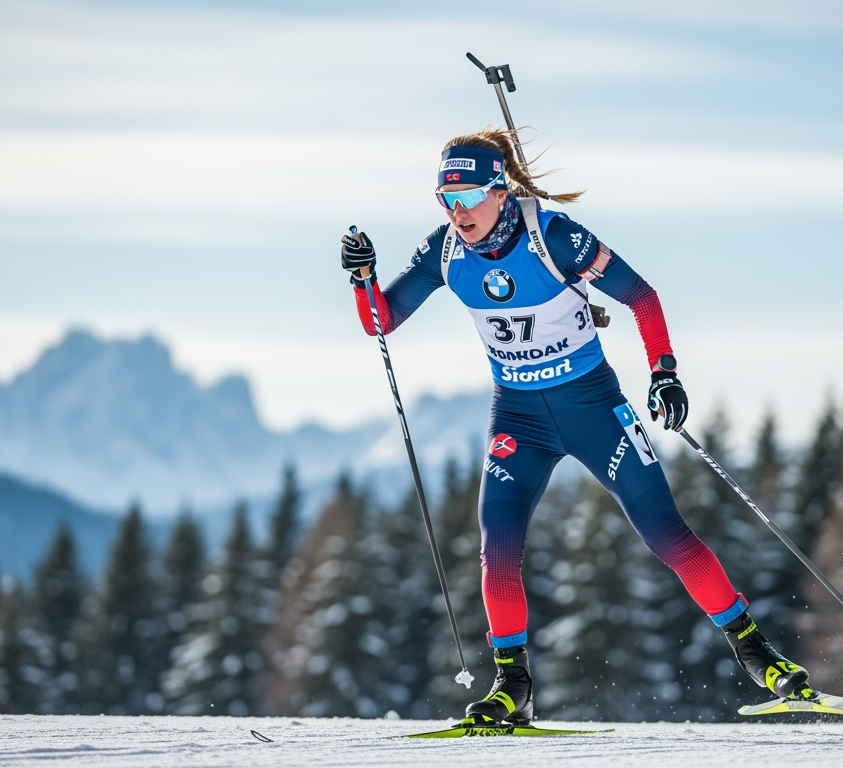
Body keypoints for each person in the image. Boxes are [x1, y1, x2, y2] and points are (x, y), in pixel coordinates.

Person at [339, 129, 809, 726]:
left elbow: (642, 297)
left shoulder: (553, 236)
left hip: (592, 408)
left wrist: (663, 373)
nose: (458, 212)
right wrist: (362, 280)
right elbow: (382, 321)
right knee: (497, 548)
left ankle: (757, 654)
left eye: (468, 197)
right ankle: (513, 685)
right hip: (519, 418)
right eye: (445, 199)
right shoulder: (444, 252)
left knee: (667, 534)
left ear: (501, 191)